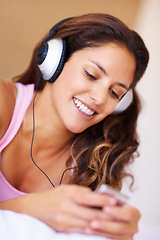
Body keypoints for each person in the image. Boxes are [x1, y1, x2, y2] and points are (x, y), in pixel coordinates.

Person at [0, 13, 149, 240]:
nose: (99, 98)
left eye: (114, 93)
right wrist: (33, 207)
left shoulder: (94, 160)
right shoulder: (3, 104)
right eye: (91, 74)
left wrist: (115, 227)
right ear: (54, 60)